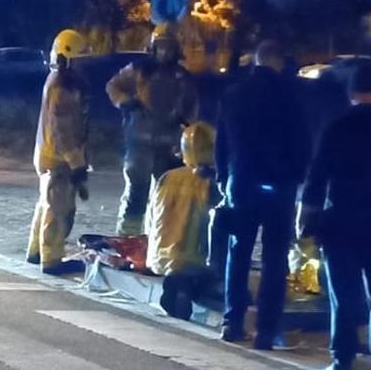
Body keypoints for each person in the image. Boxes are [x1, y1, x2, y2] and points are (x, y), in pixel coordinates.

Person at [215, 40, 310, 349]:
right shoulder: (290, 95)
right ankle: (266, 332)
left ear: (256, 60)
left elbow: (222, 143)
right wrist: (296, 176)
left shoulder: (234, 95)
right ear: (278, 61)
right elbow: (302, 141)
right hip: (278, 187)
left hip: (241, 183)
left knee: (238, 252)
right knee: (274, 259)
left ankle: (232, 321)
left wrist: (222, 177)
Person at [300, 62, 371, 370]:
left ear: (352, 92)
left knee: (341, 290)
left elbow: (317, 175)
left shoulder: (338, 125)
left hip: (342, 219)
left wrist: (307, 220)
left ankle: (342, 357)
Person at [107, 24, 199, 235]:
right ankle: (127, 237)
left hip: (168, 146)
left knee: (165, 196)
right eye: (161, 46)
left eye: (169, 47)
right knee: (136, 194)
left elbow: (191, 111)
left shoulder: (183, 78)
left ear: (176, 49)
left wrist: (186, 139)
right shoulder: (139, 70)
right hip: (138, 143)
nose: (164, 52)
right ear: (153, 47)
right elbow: (113, 86)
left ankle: (156, 240)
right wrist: (126, 102)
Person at [26, 29, 91, 275]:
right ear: (66, 59)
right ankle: (51, 259)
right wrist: (77, 163)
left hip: (48, 154)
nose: (82, 66)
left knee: (46, 204)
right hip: (58, 158)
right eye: (79, 60)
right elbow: (64, 130)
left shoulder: (56, 81)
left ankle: (36, 251)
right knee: (58, 209)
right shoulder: (63, 89)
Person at [145, 122, 219, 319]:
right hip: (197, 258)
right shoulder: (213, 183)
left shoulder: (167, 177)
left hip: (162, 256)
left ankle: (177, 283)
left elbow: (152, 217)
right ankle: (186, 288)